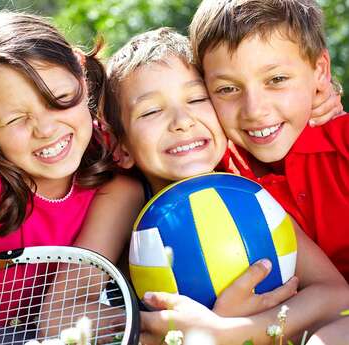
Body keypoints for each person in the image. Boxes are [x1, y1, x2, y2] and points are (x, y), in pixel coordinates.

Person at [103, 27, 349, 345]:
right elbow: (63, 312)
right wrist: (159, 330)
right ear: (119, 147)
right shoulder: (124, 197)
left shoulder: (244, 192)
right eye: (151, 111)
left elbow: (335, 293)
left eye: (197, 98)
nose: (182, 121)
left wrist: (230, 331)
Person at [0, 11, 143, 345]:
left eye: (58, 100)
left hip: (61, 309)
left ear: (82, 75)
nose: (46, 129)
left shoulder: (112, 151)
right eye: (16, 119)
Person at [190, 0, 349, 342]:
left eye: (276, 79)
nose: (255, 110)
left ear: (320, 71)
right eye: (227, 89)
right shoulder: (214, 179)